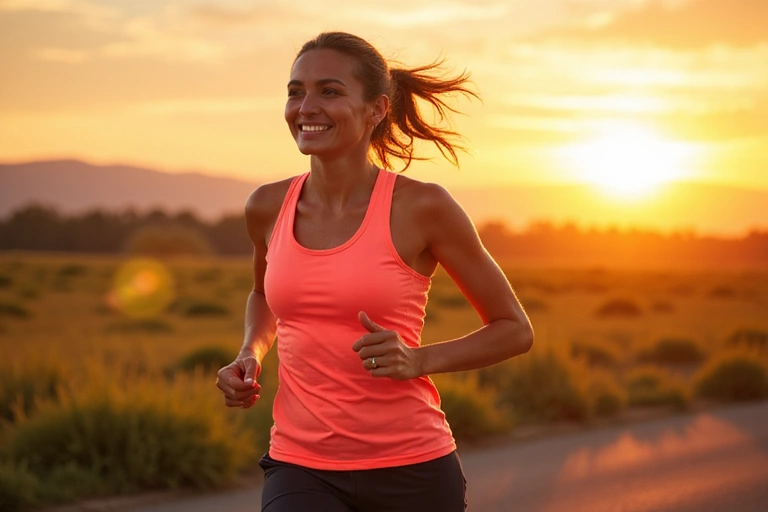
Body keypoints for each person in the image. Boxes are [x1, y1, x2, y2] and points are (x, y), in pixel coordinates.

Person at [216, 31, 534, 512]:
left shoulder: (423, 207)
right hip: (300, 466)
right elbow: (262, 295)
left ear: (377, 109)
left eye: (330, 91)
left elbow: (514, 330)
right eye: (295, 90)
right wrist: (250, 352)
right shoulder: (266, 206)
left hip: (412, 469)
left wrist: (418, 360)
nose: (306, 106)